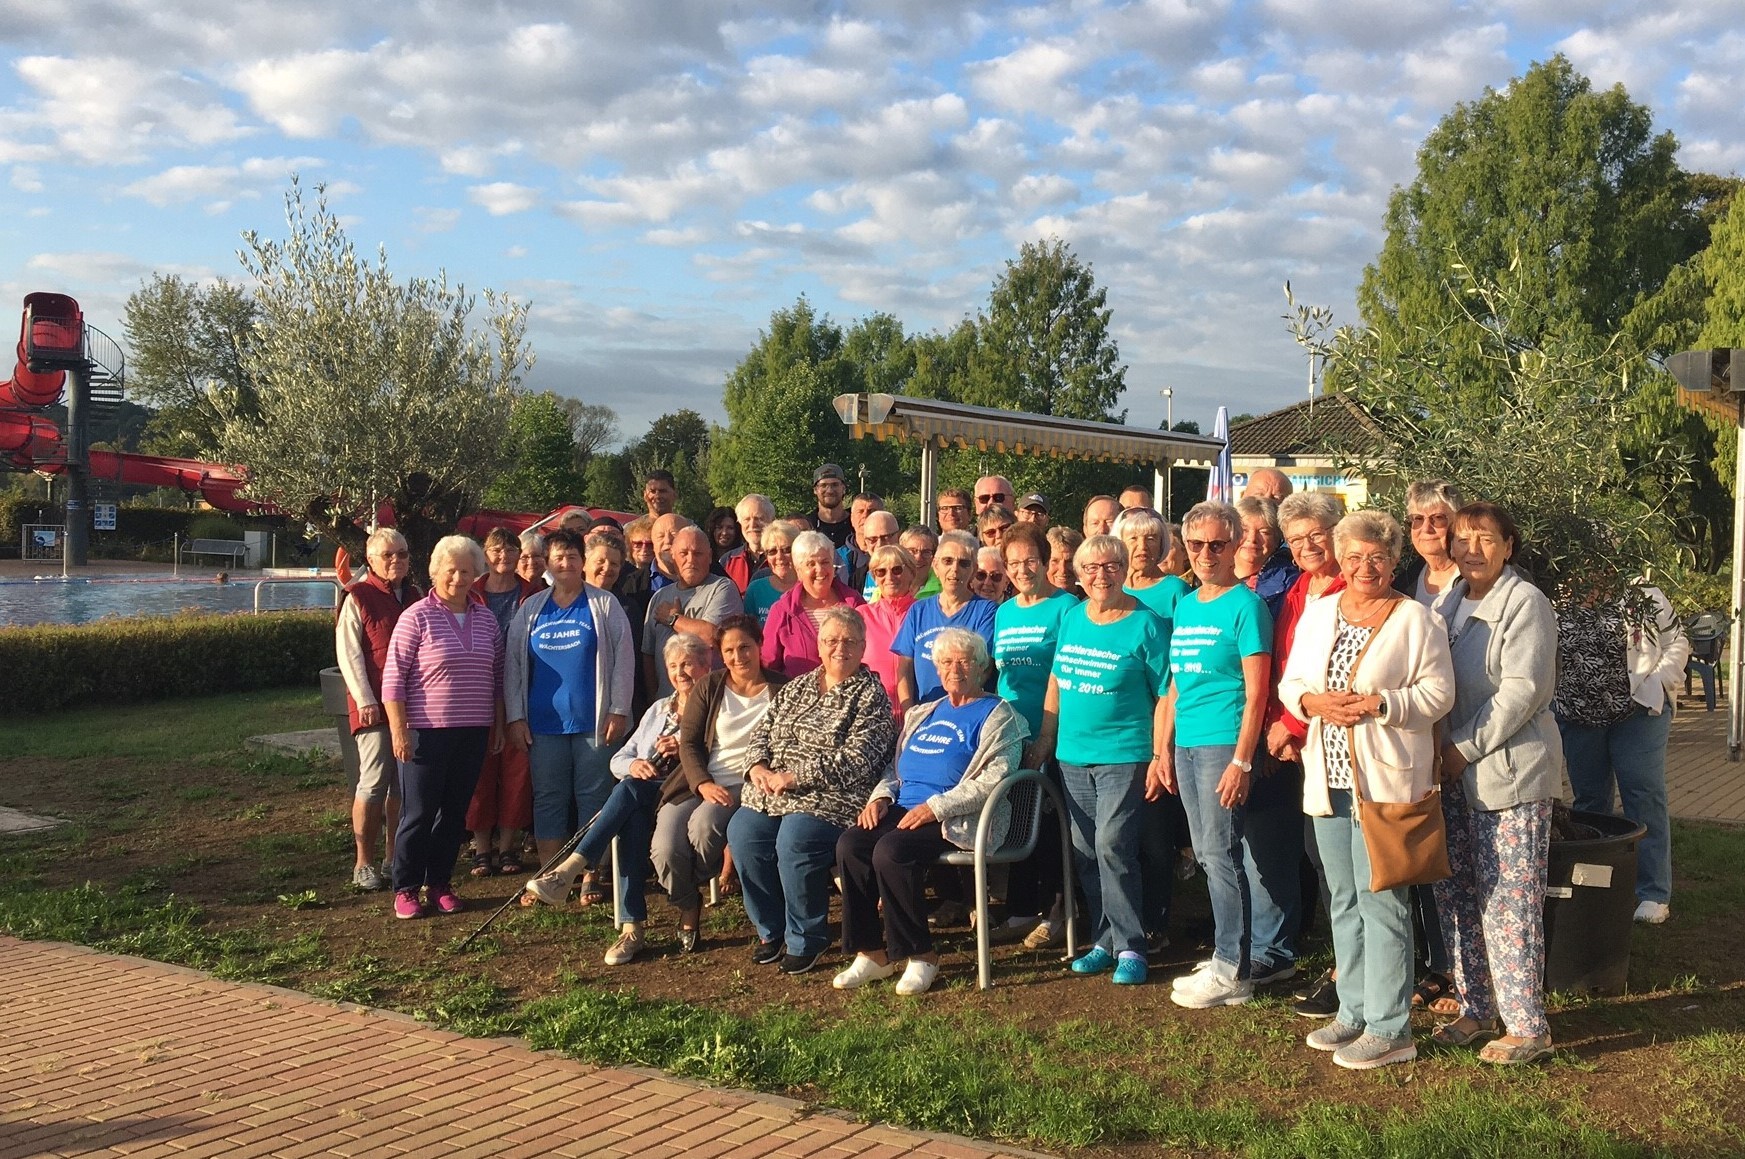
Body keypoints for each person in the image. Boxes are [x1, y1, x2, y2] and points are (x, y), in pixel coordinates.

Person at [1278, 510, 1455, 1070]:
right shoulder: (1320, 612)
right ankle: (1352, 1011)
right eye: (1353, 556)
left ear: (1394, 560)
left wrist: (1383, 704)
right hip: (1328, 778)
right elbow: (1291, 681)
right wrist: (1311, 702)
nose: (1364, 567)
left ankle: (1390, 1027)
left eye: (1376, 557)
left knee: (1383, 902)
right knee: (1344, 899)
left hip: (1385, 781)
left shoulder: (1416, 620)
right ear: (1341, 559)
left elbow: (1439, 693)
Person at [1430, 502, 1562, 1065]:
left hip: (1509, 773)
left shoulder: (1525, 603)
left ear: (1509, 547)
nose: (1472, 549)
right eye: (1462, 538)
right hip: (1450, 775)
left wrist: (1461, 748)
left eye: (1486, 538)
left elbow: (1522, 691)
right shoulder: (1446, 603)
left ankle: (1528, 1026)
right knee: (1457, 892)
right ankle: (1477, 1006)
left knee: (1510, 900)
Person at [834, 628, 1028, 995]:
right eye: (947, 662)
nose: (955, 669)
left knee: (891, 851)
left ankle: (921, 955)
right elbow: (894, 768)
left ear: (983, 667)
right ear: (936, 669)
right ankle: (872, 954)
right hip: (904, 806)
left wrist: (935, 807)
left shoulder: (1000, 715)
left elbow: (993, 779)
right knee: (851, 845)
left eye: (965, 661)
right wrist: (880, 798)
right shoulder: (923, 712)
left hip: (957, 817)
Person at [519, 632, 712, 963]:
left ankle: (574, 871)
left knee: (627, 795)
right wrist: (635, 764)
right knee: (629, 807)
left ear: (705, 667)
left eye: (688, 664)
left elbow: (720, 755)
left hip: (684, 793)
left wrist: (684, 748)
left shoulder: (713, 707)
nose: (680, 673)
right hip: (645, 791)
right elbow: (619, 758)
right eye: (673, 666)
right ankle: (631, 928)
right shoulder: (658, 709)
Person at [1030, 535, 1170, 985]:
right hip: (1072, 755)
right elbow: (1057, 679)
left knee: (1113, 845)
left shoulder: (1146, 625)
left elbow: (1167, 693)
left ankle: (1132, 946)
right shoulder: (1073, 616)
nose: (1100, 575)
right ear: (1078, 574)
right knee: (1086, 850)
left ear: (1125, 569)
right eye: (1090, 568)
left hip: (1123, 755)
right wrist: (1046, 737)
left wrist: (1160, 753)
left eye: (1111, 566)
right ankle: (1104, 940)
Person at [726, 607, 897, 973]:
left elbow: (858, 758)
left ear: (863, 647)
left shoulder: (871, 695)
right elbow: (762, 732)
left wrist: (794, 777)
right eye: (831, 640)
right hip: (772, 793)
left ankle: (807, 938)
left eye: (849, 641)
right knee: (742, 832)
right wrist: (757, 766)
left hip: (833, 797)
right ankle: (771, 931)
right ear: (819, 646)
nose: (840, 648)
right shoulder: (797, 686)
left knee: (795, 838)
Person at [1158, 501, 1273, 1008]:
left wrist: (1242, 760)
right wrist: (1163, 749)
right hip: (1187, 743)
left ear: (1235, 546)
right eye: (1197, 544)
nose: (1206, 554)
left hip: (1224, 742)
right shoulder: (1186, 604)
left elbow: (1258, 692)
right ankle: (1228, 956)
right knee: (1206, 853)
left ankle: (1233, 969)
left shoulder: (1247, 606)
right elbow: (1175, 685)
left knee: (1222, 854)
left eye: (1217, 545)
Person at [502, 528, 636, 907]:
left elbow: (623, 660)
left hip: (595, 722)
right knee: (548, 797)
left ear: (583, 561)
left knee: (593, 796)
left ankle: (589, 873)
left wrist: (619, 709)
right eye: (558, 557)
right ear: (547, 563)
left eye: (572, 557)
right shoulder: (531, 609)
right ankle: (550, 875)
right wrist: (515, 717)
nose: (565, 563)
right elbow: (513, 666)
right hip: (543, 724)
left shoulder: (604, 604)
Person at [381, 535, 505, 920]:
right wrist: (399, 730)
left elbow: (498, 678)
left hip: (473, 731)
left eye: (466, 571)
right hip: (425, 732)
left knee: (454, 815)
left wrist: (498, 725)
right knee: (418, 814)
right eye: (450, 570)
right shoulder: (415, 617)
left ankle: (439, 884)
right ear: (435, 572)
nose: (458, 578)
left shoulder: (486, 619)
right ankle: (405, 887)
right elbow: (393, 680)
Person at [1554, 581, 1689, 924]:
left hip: (1638, 712)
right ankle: (1596, 885)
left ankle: (1653, 892)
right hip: (1578, 714)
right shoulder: (1556, 594)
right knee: (1589, 802)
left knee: (1643, 792)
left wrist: (1658, 683)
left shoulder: (1643, 594)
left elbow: (1677, 641)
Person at [1264, 491, 1346, 1019]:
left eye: (1317, 534)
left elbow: (1334, 673)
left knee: (1339, 862)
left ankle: (1347, 971)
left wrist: (1291, 724)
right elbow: (1285, 665)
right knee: (1319, 857)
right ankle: (1343, 962)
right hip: (1298, 742)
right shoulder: (1298, 588)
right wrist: (1282, 725)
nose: (1307, 545)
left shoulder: (1351, 589)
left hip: (1333, 740)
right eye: (1296, 539)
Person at [993, 521, 1078, 948]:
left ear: (1044, 561)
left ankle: (1059, 910)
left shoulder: (1067, 608)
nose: (1022, 570)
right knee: (1019, 817)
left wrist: (1047, 736)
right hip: (1013, 733)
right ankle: (1021, 909)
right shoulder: (1005, 612)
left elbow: (1063, 676)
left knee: (1051, 824)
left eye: (1029, 561)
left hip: (1054, 730)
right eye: (1013, 563)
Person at [1116, 505, 1191, 952]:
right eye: (1132, 538)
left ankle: (1157, 920)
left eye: (1150, 538)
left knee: (1156, 831)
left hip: (1163, 720)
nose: (1141, 547)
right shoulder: (1110, 590)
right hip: (1120, 724)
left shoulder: (1175, 591)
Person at [335, 528, 421, 891]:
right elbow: (349, 653)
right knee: (373, 782)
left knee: (402, 785)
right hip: (373, 706)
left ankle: (392, 857)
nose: (396, 560)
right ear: (370, 560)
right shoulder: (358, 596)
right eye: (388, 555)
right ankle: (363, 862)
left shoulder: (415, 595)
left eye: (402, 553)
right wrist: (364, 699)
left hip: (411, 706)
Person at [466, 527, 539, 877]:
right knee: (479, 772)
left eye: (510, 550)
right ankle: (482, 848)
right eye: (496, 550)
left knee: (517, 771)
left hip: (522, 691)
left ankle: (508, 846)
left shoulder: (534, 593)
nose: (503, 556)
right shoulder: (470, 592)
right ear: (485, 554)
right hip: (477, 692)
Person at [894, 530, 997, 712]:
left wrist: (955, 712)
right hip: (923, 715)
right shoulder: (919, 610)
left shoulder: (986, 611)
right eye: (947, 561)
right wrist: (910, 714)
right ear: (935, 565)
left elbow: (984, 667)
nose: (955, 569)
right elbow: (904, 669)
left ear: (974, 570)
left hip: (968, 714)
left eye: (964, 563)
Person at [644, 526, 743, 698]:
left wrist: (673, 619)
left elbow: (712, 636)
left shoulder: (722, 588)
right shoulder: (659, 597)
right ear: (672, 556)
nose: (691, 560)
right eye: (684, 553)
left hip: (710, 701)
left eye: (698, 554)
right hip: (668, 703)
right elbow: (648, 654)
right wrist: (655, 699)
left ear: (710, 557)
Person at [762, 529, 867, 677]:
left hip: (851, 690)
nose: (820, 570)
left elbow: (870, 652)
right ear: (798, 571)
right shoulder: (782, 611)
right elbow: (768, 666)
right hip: (799, 691)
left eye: (825, 562)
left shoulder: (855, 604)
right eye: (811, 564)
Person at [857, 544, 920, 715]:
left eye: (897, 570)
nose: (889, 577)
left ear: (911, 573)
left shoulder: (924, 613)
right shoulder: (861, 616)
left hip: (920, 714)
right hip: (874, 716)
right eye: (881, 572)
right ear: (874, 577)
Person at [1234, 496, 1300, 617]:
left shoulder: (1290, 583)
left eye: (1264, 532)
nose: (1252, 539)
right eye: (1244, 530)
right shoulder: (1209, 572)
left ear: (1277, 539)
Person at [1399, 480, 1463, 604]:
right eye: (1418, 519)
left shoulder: (1476, 578)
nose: (1426, 528)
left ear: (1458, 523)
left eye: (1438, 518)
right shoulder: (1403, 582)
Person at [745, 520, 800, 625]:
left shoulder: (808, 587)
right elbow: (748, 630)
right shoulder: (755, 590)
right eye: (772, 551)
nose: (779, 557)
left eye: (786, 550)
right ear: (766, 556)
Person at [719, 494, 775, 593]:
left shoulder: (782, 560)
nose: (752, 525)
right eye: (747, 519)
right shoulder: (727, 561)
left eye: (759, 518)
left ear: (772, 521)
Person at [850, 510, 900, 599]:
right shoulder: (858, 576)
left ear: (898, 536)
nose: (879, 544)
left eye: (885, 537)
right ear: (865, 541)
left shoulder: (909, 572)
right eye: (873, 539)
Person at [805, 463, 854, 550]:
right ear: (815, 490)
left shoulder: (856, 523)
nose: (830, 491)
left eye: (835, 485)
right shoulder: (808, 525)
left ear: (843, 488)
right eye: (823, 485)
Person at [900, 525, 942, 598]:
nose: (918, 558)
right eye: (912, 551)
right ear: (901, 553)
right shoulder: (890, 584)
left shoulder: (943, 589)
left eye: (926, 552)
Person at [1046, 526, 1084, 596]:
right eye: (1055, 561)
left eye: (1069, 562)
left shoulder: (1092, 600)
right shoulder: (1033, 600)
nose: (1063, 569)